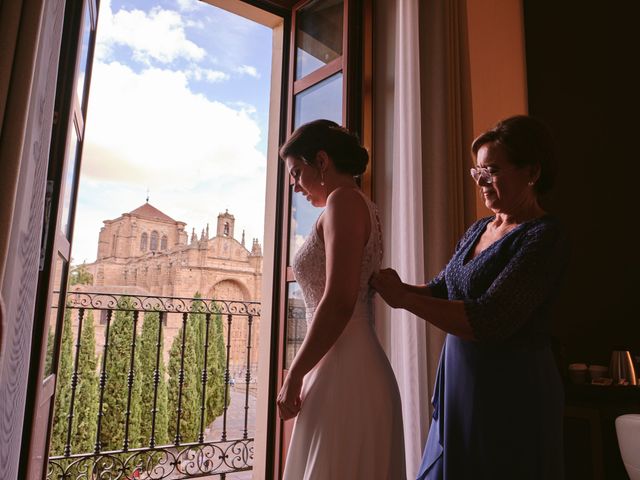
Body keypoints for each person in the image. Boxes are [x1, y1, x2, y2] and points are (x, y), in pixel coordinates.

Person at [371, 115, 568, 480]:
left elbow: (489, 319)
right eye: (477, 172)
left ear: (532, 172)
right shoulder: (480, 228)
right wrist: (386, 285)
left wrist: (404, 299)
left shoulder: (544, 237)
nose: (482, 182)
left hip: (513, 387)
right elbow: (440, 289)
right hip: (460, 379)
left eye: (492, 170)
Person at [277, 119, 406, 479]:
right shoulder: (360, 205)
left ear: (321, 161)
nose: (295, 185)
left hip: (346, 368)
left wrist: (294, 375)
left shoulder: (343, 201)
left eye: (297, 172)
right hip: (346, 360)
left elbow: (338, 300)